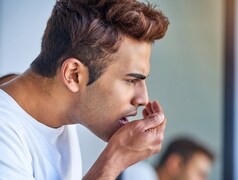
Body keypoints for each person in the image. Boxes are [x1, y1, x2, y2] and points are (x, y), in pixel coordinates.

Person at [0, 0, 169, 179]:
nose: (143, 99)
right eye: (131, 80)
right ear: (74, 75)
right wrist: (114, 161)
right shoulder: (5, 134)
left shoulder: (64, 113)